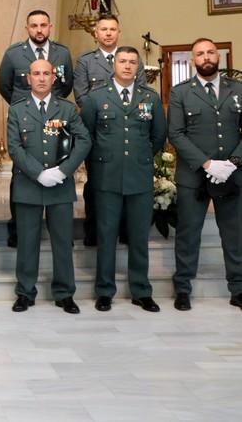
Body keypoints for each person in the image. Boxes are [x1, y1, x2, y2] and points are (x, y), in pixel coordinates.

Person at [81, 47, 166, 313]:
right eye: (122, 61)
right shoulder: (96, 98)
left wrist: (139, 159)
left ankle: (141, 290)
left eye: (132, 62)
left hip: (139, 177)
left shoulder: (149, 98)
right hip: (106, 177)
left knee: (139, 236)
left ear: (138, 67)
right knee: (106, 236)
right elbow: (87, 136)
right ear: (113, 65)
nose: (127, 66)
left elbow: (158, 136)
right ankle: (105, 291)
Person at [7, 59, 90, 314]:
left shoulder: (66, 109)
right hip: (28, 186)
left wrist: (63, 171)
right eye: (36, 73)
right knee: (27, 242)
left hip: (60, 186)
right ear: (28, 78)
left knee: (63, 242)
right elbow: (14, 147)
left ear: (54, 78)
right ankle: (25, 293)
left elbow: (84, 141)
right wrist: (38, 173)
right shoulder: (17, 110)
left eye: (46, 73)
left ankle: (65, 293)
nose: (41, 78)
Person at [168, 38, 242, 311]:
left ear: (218, 56)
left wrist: (232, 162)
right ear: (192, 60)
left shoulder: (238, 89)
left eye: (210, 52)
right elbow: (175, 133)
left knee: (235, 234)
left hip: (233, 176)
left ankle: (238, 288)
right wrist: (208, 164)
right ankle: (183, 289)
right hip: (193, 177)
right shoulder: (181, 92)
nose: (206, 57)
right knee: (188, 233)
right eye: (200, 54)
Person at [0, 10, 74, 247]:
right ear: (27, 28)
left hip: (55, 119)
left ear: (50, 27)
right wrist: (25, 111)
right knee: (22, 174)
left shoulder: (62, 53)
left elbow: (67, 84)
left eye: (43, 25)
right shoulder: (13, 54)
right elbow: (4, 86)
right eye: (34, 25)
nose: (39, 30)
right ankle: (17, 231)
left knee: (56, 168)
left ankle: (59, 231)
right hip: (26, 122)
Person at [73, 14, 145, 246]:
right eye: (103, 29)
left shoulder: (133, 59)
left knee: (127, 186)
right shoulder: (86, 61)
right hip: (98, 131)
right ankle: (93, 231)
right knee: (96, 184)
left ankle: (125, 231)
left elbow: (141, 91)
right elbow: (82, 95)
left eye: (112, 29)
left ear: (119, 32)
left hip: (128, 129)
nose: (108, 33)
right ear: (96, 33)